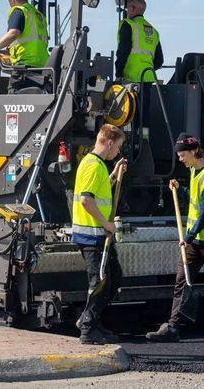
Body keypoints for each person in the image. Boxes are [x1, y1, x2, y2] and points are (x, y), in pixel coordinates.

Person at [146, 133, 204, 342]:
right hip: (193, 243)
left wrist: (189, 234)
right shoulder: (195, 171)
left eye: (183, 154)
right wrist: (181, 189)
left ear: (194, 151)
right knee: (182, 282)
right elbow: (195, 199)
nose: (180, 159)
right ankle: (173, 327)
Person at [71, 124, 127, 345]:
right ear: (110, 142)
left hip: (96, 235)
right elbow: (86, 200)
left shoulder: (96, 164)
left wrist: (114, 174)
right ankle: (88, 327)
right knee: (100, 283)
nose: (118, 152)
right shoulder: (94, 166)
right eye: (118, 146)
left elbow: (99, 190)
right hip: (93, 235)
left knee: (112, 280)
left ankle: (93, 321)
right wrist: (106, 224)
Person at [115, 0, 163, 84]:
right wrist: (148, 69)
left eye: (128, 8)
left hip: (130, 77)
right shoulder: (154, 31)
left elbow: (123, 51)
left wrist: (118, 73)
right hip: (148, 77)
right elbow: (159, 60)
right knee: (145, 98)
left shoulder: (128, 24)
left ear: (133, 8)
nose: (127, 11)